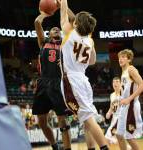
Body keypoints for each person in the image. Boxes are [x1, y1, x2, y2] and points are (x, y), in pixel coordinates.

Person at [59, 0, 109, 149]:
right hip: (84, 80)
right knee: (87, 120)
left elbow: (63, 17)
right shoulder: (90, 40)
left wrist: (62, 3)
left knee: (88, 119)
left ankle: (104, 147)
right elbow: (93, 60)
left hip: (72, 80)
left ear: (75, 24)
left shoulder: (69, 33)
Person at [32, 8, 75, 150]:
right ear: (48, 34)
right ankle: (54, 145)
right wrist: (45, 13)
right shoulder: (43, 43)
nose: (56, 30)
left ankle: (67, 147)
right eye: (53, 29)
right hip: (43, 82)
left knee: (63, 119)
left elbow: (74, 20)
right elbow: (37, 22)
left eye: (58, 29)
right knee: (41, 121)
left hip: (59, 82)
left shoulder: (65, 43)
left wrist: (63, 6)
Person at [116, 49, 143, 150]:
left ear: (129, 59)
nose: (120, 59)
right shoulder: (123, 72)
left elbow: (142, 85)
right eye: (119, 57)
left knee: (129, 137)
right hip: (124, 107)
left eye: (123, 57)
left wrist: (129, 99)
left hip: (131, 106)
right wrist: (121, 99)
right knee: (119, 135)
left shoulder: (131, 69)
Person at [105, 77, 121, 144]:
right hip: (114, 118)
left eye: (117, 81)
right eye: (114, 82)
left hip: (121, 118)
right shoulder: (112, 95)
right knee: (108, 139)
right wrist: (108, 113)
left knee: (108, 139)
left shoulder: (124, 93)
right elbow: (111, 107)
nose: (115, 83)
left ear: (121, 83)